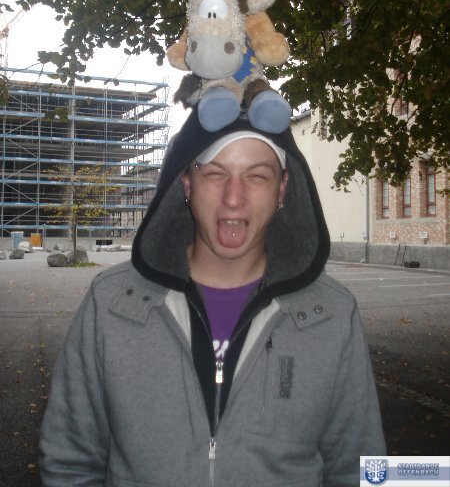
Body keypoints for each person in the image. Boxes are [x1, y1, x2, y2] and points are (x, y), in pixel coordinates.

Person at [39, 110, 385, 486]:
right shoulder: (111, 303)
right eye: (215, 174)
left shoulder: (332, 314)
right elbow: (69, 463)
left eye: (257, 176)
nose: (233, 198)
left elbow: (359, 471)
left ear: (283, 188)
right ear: (187, 183)